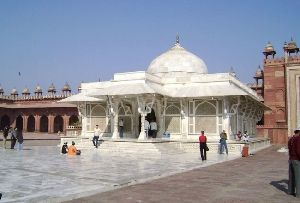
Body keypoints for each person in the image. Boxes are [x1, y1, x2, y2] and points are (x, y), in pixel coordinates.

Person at [288, 127, 300, 198]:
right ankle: (298, 194)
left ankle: (290, 191)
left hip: (291, 159)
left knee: (291, 177)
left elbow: (289, 149)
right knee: (298, 178)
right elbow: (299, 150)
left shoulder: (291, 139)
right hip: (296, 160)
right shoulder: (298, 139)